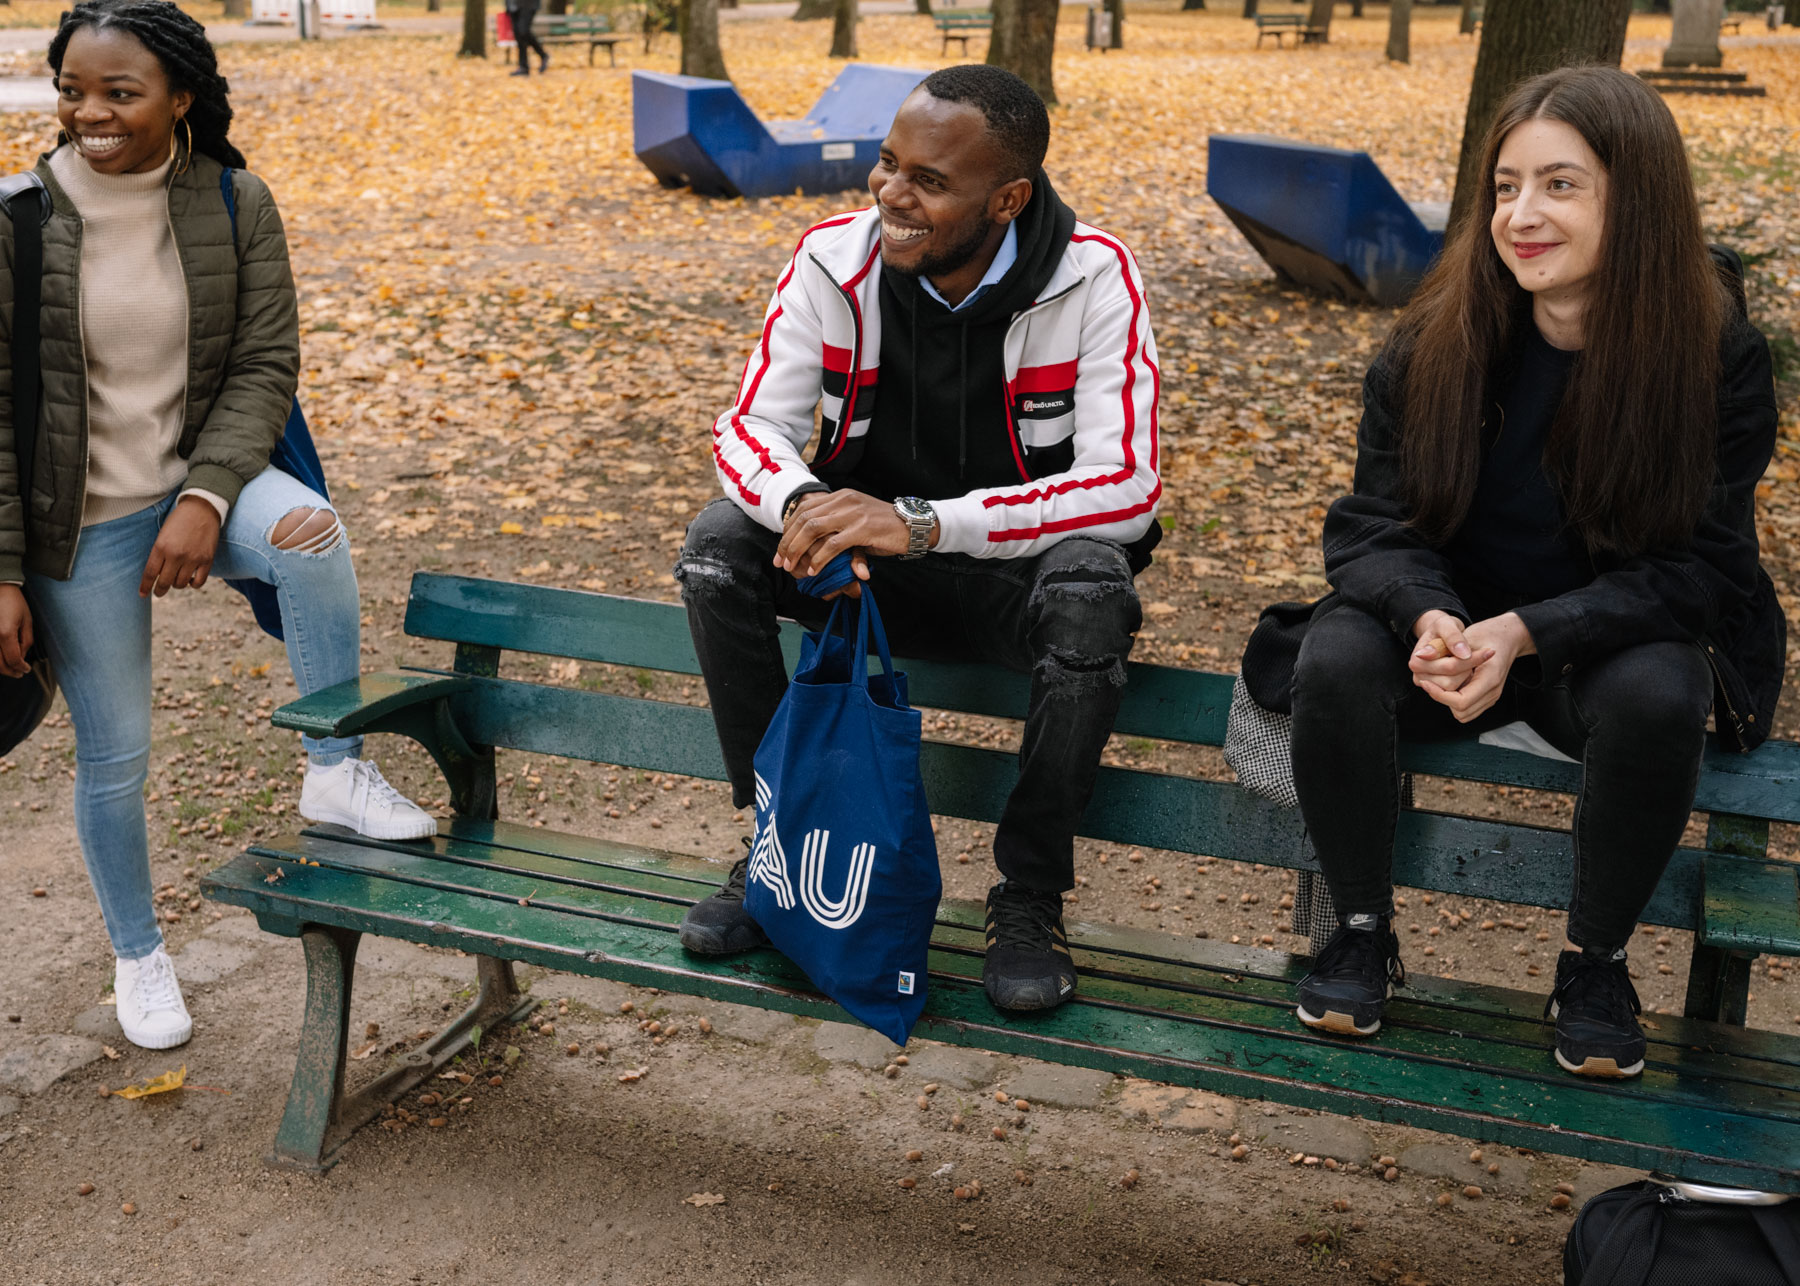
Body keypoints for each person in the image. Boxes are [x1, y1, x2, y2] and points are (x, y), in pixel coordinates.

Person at [1283, 66, 1782, 1078]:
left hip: (1597, 649)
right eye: (1505, 186)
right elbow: (1371, 526)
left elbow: (1704, 572)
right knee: (1336, 650)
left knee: (1662, 683)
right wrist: (1429, 613)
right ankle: (1362, 930)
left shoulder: (1713, 355)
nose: (1521, 215)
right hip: (1451, 641)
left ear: (1634, 199)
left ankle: (1592, 962)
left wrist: (1531, 632)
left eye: (1560, 185)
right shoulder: (1435, 341)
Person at [674, 65, 1161, 1013]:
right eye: (888, 163)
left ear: (1007, 198)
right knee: (717, 545)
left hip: (1006, 581)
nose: (891, 194)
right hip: (862, 578)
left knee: (1095, 585)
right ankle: (779, 847)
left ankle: (1029, 897)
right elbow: (748, 431)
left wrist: (926, 525)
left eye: (929, 182)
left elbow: (1128, 488)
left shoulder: (1095, 277)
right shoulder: (832, 259)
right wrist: (812, 506)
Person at [0, 0, 436, 1053]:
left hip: (205, 482)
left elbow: (262, 368)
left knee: (312, 530)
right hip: (77, 527)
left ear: (180, 97)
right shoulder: (17, 219)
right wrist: (5, 570)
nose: (89, 112)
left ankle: (332, 765)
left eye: (119, 92)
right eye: (73, 91)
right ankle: (139, 953)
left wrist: (203, 499)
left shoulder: (236, 203)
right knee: (117, 758)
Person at [506, 0, 548, 77]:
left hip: (528, 4)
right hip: (512, 5)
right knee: (518, 35)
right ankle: (523, 66)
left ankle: (543, 55)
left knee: (523, 31)